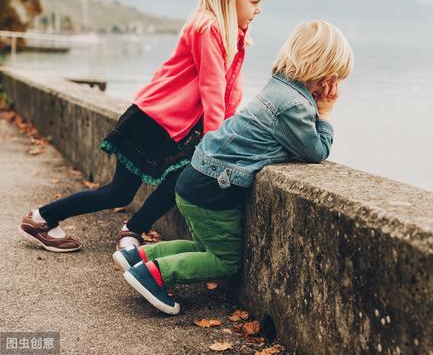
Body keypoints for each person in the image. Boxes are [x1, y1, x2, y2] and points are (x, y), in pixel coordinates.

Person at [19, 0, 266, 252]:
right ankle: (42, 217)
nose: (258, 9)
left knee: (178, 178)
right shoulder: (207, 28)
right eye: (253, 1)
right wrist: (216, 143)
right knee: (118, 194)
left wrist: (226, 133)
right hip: (152, 120)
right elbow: (212, 90)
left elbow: (231, 91)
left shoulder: (234, 35)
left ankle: (132, 230)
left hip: (176, 126)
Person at [112, 20, 354, 315]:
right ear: (321, 73)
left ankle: (139, 257)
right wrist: (325, 113)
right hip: (214, 188)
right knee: (225, 261)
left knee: (204, 248)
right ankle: (153, 275)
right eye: (333, 78)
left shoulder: (278, 86)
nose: (332, 87)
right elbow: (316, 152)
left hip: (197, 177)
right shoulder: (295, 106)